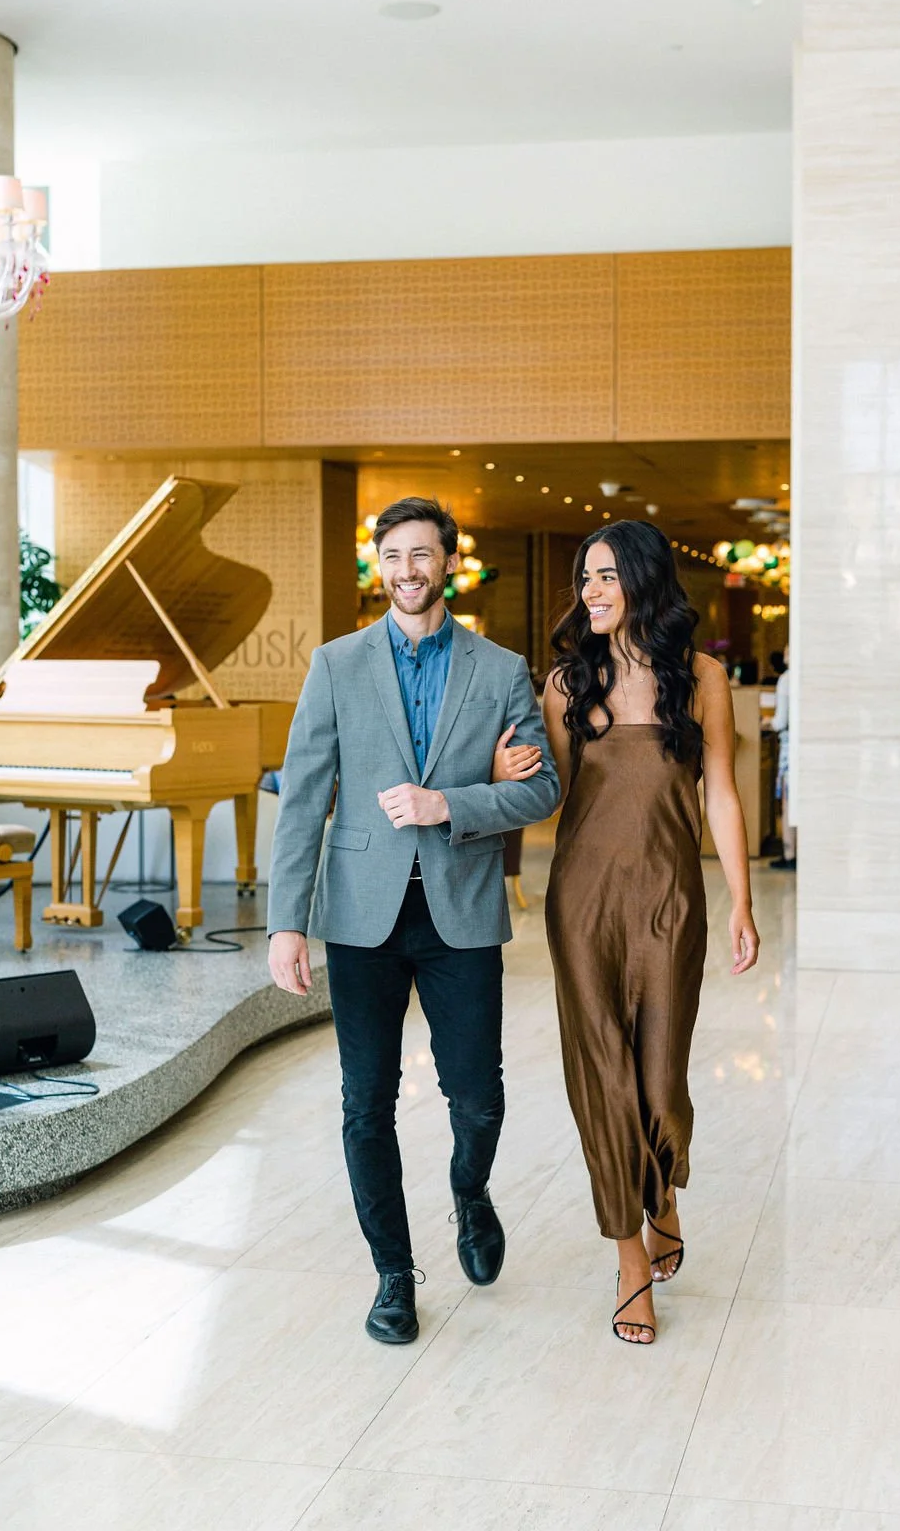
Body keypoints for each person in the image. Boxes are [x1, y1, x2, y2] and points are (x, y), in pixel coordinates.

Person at [267, 496, 560, 1346]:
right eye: (392, 557)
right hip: (361, 917)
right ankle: (393, 1275)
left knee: (477, 1100)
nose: (406, 571)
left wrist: (449, 802)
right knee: (367, 1105)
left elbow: (540, 788)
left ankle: (470, 1194)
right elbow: (303, 801)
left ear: (449, 563)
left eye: (421, 555)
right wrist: (288, 922)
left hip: (461, 912)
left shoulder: (501, 669)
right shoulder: (336, 665)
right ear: (378, 566)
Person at [497, 520, 758, 1345]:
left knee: (661, 1081)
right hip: (583, 903)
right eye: (584, 578)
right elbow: (552, 801)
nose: (592, 592)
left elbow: (720, 791)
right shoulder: (569, 682)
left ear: (644, 581)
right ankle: (629, 1261)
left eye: (607, 576)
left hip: (671, 898)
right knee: (601, 1077)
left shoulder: (702, 677)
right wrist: (508, 774)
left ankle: (664, 1191)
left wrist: (743, 902)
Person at [769, 643, 795, 869]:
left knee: (788, 801)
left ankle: (789, 853)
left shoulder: (786, 680)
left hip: (790, 749)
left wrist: (766, 722)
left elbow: (780, 721)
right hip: (805, 749)